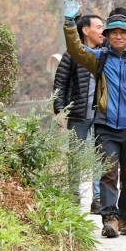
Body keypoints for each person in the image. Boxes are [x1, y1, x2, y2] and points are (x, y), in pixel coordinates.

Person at [62, 2, 126, 238]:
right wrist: (69, 23)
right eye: (113, 32)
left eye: (123, 33)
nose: (118, 36)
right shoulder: (100, 58)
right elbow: (76, 50)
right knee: (108, 173)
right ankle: (109, 218)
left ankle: (125, 217)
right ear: (107, 36)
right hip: (105, 125)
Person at [52, 14, 105, 212]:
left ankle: (97, 199)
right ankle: (73, 197)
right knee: (76, 157)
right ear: (85, 30)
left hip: (101, 116)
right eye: (99, 27)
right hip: (78, 114)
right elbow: (60, 83)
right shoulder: (72, 55)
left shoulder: (107, 54)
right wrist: (59, 109)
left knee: (99, 157)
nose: (102, 31)